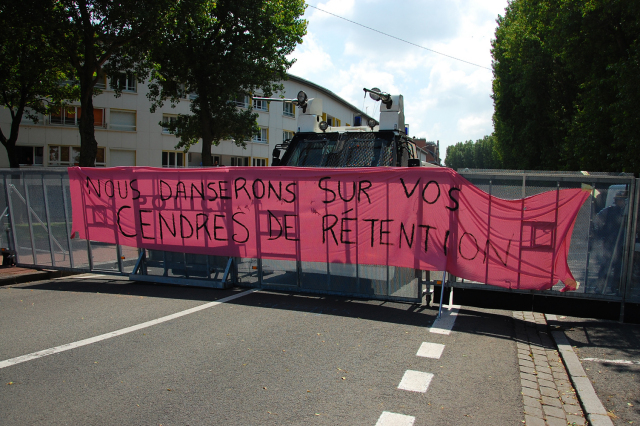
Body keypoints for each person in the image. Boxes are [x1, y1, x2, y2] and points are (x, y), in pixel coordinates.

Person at [593, 190, 628, 294]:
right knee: (606, 265)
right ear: (616, 201)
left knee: (618, 267)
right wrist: (599, 232)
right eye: (620, 200)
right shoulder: (609, 211)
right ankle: (600, 287)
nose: (621, 202)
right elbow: (597, 219)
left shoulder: (626, 213)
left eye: (623, 200)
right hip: (610, 243)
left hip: (621, 244)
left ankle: (615, 287)